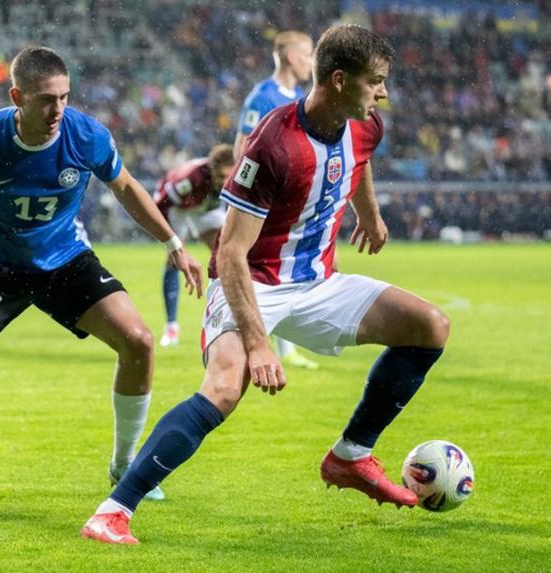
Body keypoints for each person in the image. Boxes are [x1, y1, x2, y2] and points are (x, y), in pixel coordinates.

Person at [82, 24, 451, 545]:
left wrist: (368, 214)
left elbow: (360, 159)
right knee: (225, 388)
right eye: (376, 82)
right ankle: (114, 510)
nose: (384, 92)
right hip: (253, 282)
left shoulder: (365, 123)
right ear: (340, 80)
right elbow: (230, 253)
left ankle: (350, 456)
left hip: (319, 282)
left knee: (430, 326)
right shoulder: (275, 143)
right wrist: (258, 345)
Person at [0, 47, 203, 502]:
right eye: (47, 99)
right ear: (17, 97)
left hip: (64, 260)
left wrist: (174, 243)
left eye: (64, 97)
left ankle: (124, 466)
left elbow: (126, 188)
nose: (58, 109)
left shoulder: (86, 136)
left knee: (139, 341)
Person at [234, 30, 320, 370]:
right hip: (262, 199)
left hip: (286, 198)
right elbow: (243, 145)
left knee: (280, 270)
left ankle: (284, 349)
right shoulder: (263, 96)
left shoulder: (298, 95)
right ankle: (250, 340)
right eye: (308, 54)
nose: (312, 62)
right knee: (260, 270)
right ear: (290, 57)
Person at [155, 144, 235, 347]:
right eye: (222, 176)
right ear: (213, 168)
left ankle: (225, 317)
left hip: (205, 209)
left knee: (227, 255)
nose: (225, 182)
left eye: (229, 176)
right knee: (174, 260)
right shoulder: (190, 179)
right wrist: (172, 242)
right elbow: (160, 205)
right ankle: (171, 327)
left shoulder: (233, 176)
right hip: (177, 209)